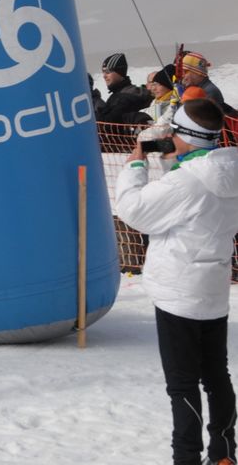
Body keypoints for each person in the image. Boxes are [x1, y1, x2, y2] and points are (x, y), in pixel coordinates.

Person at [115, 99, 238, 465]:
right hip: (212, 288)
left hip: (178, 293)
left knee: (182, 384)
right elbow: (193, 199)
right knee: (217, 376)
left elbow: (134, 211)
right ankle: (224, 453)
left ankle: (186, 457)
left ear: (181, 134)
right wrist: (174, 162)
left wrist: (136, 165)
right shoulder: (227, 169)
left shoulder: (186, 182)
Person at [95, 53, 153, 125]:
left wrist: (92, 116)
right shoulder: (120, 94)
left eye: (108, 72)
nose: (104, 76)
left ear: (120, 72)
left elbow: (109, 122)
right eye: (103, 72)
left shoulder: (124, 96)